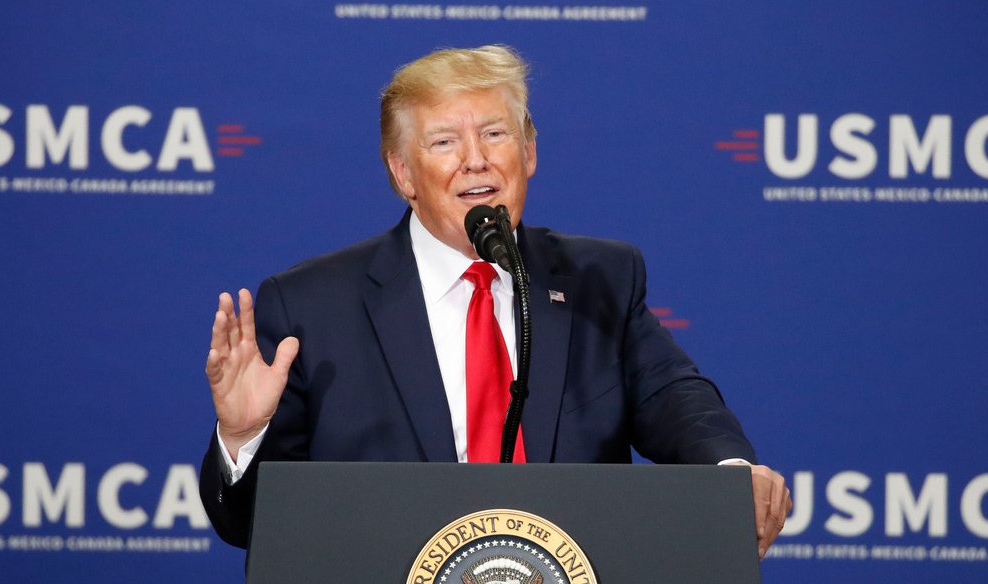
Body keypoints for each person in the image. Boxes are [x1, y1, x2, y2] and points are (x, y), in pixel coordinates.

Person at [200, 45, 791, 558]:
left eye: (494, 133)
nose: (475, 159)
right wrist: (243, 438)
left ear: (528, 152)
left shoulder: (599, 279)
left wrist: (729, 474)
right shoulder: (311, 306)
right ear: (403, 173)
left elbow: (674, 396)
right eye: (444, 142)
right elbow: (245, 524)